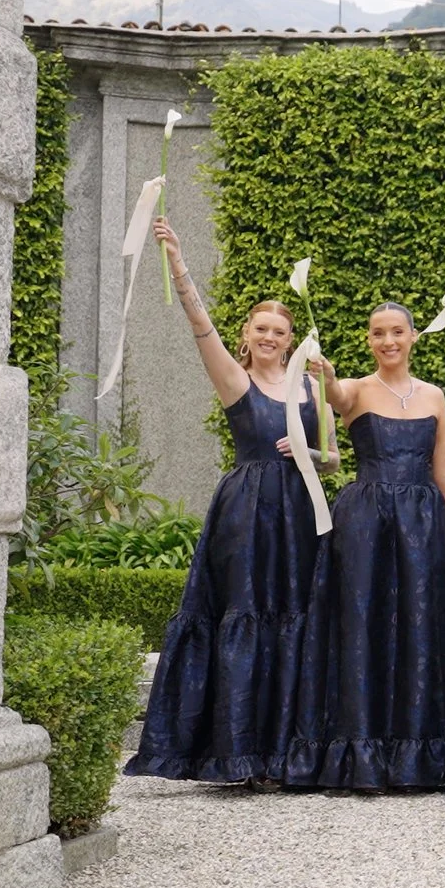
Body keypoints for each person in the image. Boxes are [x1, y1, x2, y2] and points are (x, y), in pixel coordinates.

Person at [126, 218, 332, 784]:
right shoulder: (233, 378)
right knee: (244, 614)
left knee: (298, 618)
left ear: (291, 340)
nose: (270, 337)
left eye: (280, 331)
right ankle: (237, 753)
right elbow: (199, 324)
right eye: (261, 328)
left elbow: (335, 457)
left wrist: (311, 453)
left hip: (301, 511)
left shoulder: (311, 387)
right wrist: (178, 262)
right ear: (247, 333)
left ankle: (287, 752)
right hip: (247, 510)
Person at [285, 304, 445, 790]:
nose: (388, 341)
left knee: (421, 627)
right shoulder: (355, 390)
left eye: (397, 332)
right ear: (369, 340)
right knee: (363, 626)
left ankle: (417, 753)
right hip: (366, 522)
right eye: (378, 333)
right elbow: (333, 394)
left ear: (413, 337)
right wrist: (323, 374)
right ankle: (363, 751)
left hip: (424, 524)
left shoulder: (434, 396)